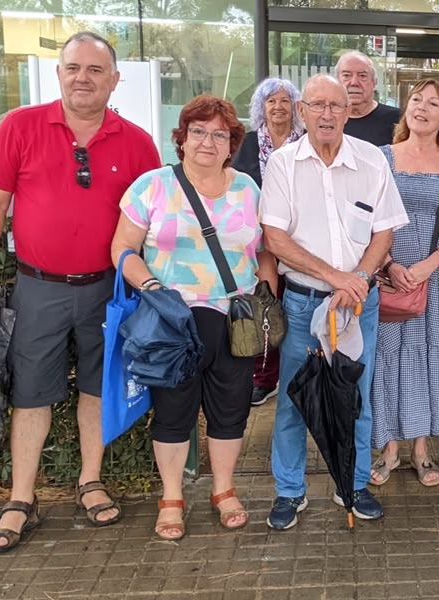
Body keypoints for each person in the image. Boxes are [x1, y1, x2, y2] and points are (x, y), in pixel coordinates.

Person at [0, 32, 160, 553]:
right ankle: (21, 499)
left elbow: (154, 223)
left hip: (108, 291)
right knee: (31, 394)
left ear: (114, 80)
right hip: (38, 289)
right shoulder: (20, 127)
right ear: (59, 73)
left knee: (98, 388)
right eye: (74, 68)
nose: (83, 78)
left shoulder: (138, 142)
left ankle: (90, 481)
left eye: (96, 70)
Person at [112, 95, 277, 540]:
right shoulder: (153, 186)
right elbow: (122, 250)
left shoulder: (249, 189)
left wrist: (266, 297)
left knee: (231, 410)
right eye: (198, 132)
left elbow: (264, 251)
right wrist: (149, 286)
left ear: (231, 144)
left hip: (233, 321)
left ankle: (223, 490)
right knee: (172, 410)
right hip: (173, 323)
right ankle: (171, 496)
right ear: (182, 139)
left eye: (219, 134)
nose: (208, 141)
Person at [260, 74, 409, 529]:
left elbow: (384, 230)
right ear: (302, 111)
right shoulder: (283, 164)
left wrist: (359, 278)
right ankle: (289, 491)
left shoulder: (370, 160)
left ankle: (355, 484)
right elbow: (275, 238)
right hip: (305, 303)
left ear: (349, 112)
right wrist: (337, 277)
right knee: (294, 400)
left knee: (355, 398)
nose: (327, 114)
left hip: (358, 304)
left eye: (336, 106)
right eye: (318, 105)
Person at [370, 79, 439, 487]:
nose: (423, 107)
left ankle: (421, 449)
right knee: (389, 360)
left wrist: (431, 263)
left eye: (434, 103)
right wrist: (391, 263)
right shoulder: (380, 158)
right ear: (406, 108)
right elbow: (370, 218)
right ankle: (389, 449)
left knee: (433, 358)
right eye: (417, 100)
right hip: (388, 272)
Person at [232, 77, 305, 407]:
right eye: (270, 101)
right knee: (264, 306)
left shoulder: (306, 142)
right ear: (261, 108)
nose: (278, 107)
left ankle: (299, 375)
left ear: (295, 107)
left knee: (296, 309)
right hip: (257, 243)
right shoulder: (244, 145)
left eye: (284, 100)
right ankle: (263, 376)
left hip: (299, 241)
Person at [337, 51, 400, 146]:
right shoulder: (327, 119)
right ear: (336, 82)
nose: (354, 82)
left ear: (374, 82)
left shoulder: (396, 119)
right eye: (346, 75)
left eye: (362, 76)